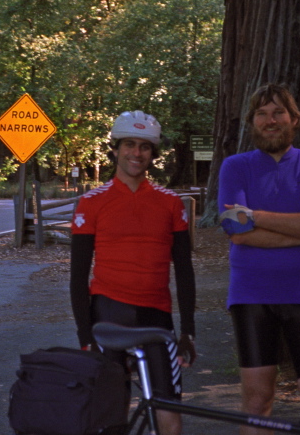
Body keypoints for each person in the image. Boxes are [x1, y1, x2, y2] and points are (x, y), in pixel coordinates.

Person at [217, 84, 300, 432]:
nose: (269, 120)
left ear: (294, 119)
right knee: (257, 400)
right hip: (251, 296)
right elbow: (235, 230)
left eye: (278, 112)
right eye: (261, 114)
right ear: (252, 122)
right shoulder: (235, 167)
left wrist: (254, 214)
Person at [70, 111, 197, 435]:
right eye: (129, 145)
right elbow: (78, 275)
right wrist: (85, 337)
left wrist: (188, 332)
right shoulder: (91, 202)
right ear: (115, 148)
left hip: (156, 314)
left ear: (153, 154)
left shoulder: (170, 203)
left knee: (169, 409)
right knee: (111, 414)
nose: (136, 153)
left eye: (144, 147)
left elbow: (184, 270)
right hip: (107, 311)